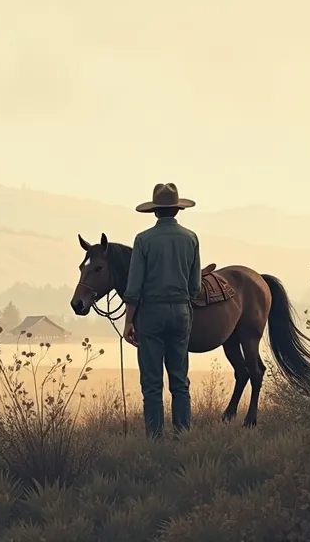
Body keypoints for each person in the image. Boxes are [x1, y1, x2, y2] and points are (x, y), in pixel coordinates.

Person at [121, 182, 201, 438]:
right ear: (177, 210)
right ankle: (183, 437)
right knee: (180, 380)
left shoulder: (143, 240)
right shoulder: (191, 238)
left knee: (152, 383)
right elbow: (195, 285)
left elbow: (133, 288)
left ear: (155, 211)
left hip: (151, 315)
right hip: (181, 312)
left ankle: (155, 440)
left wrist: (128, 322)